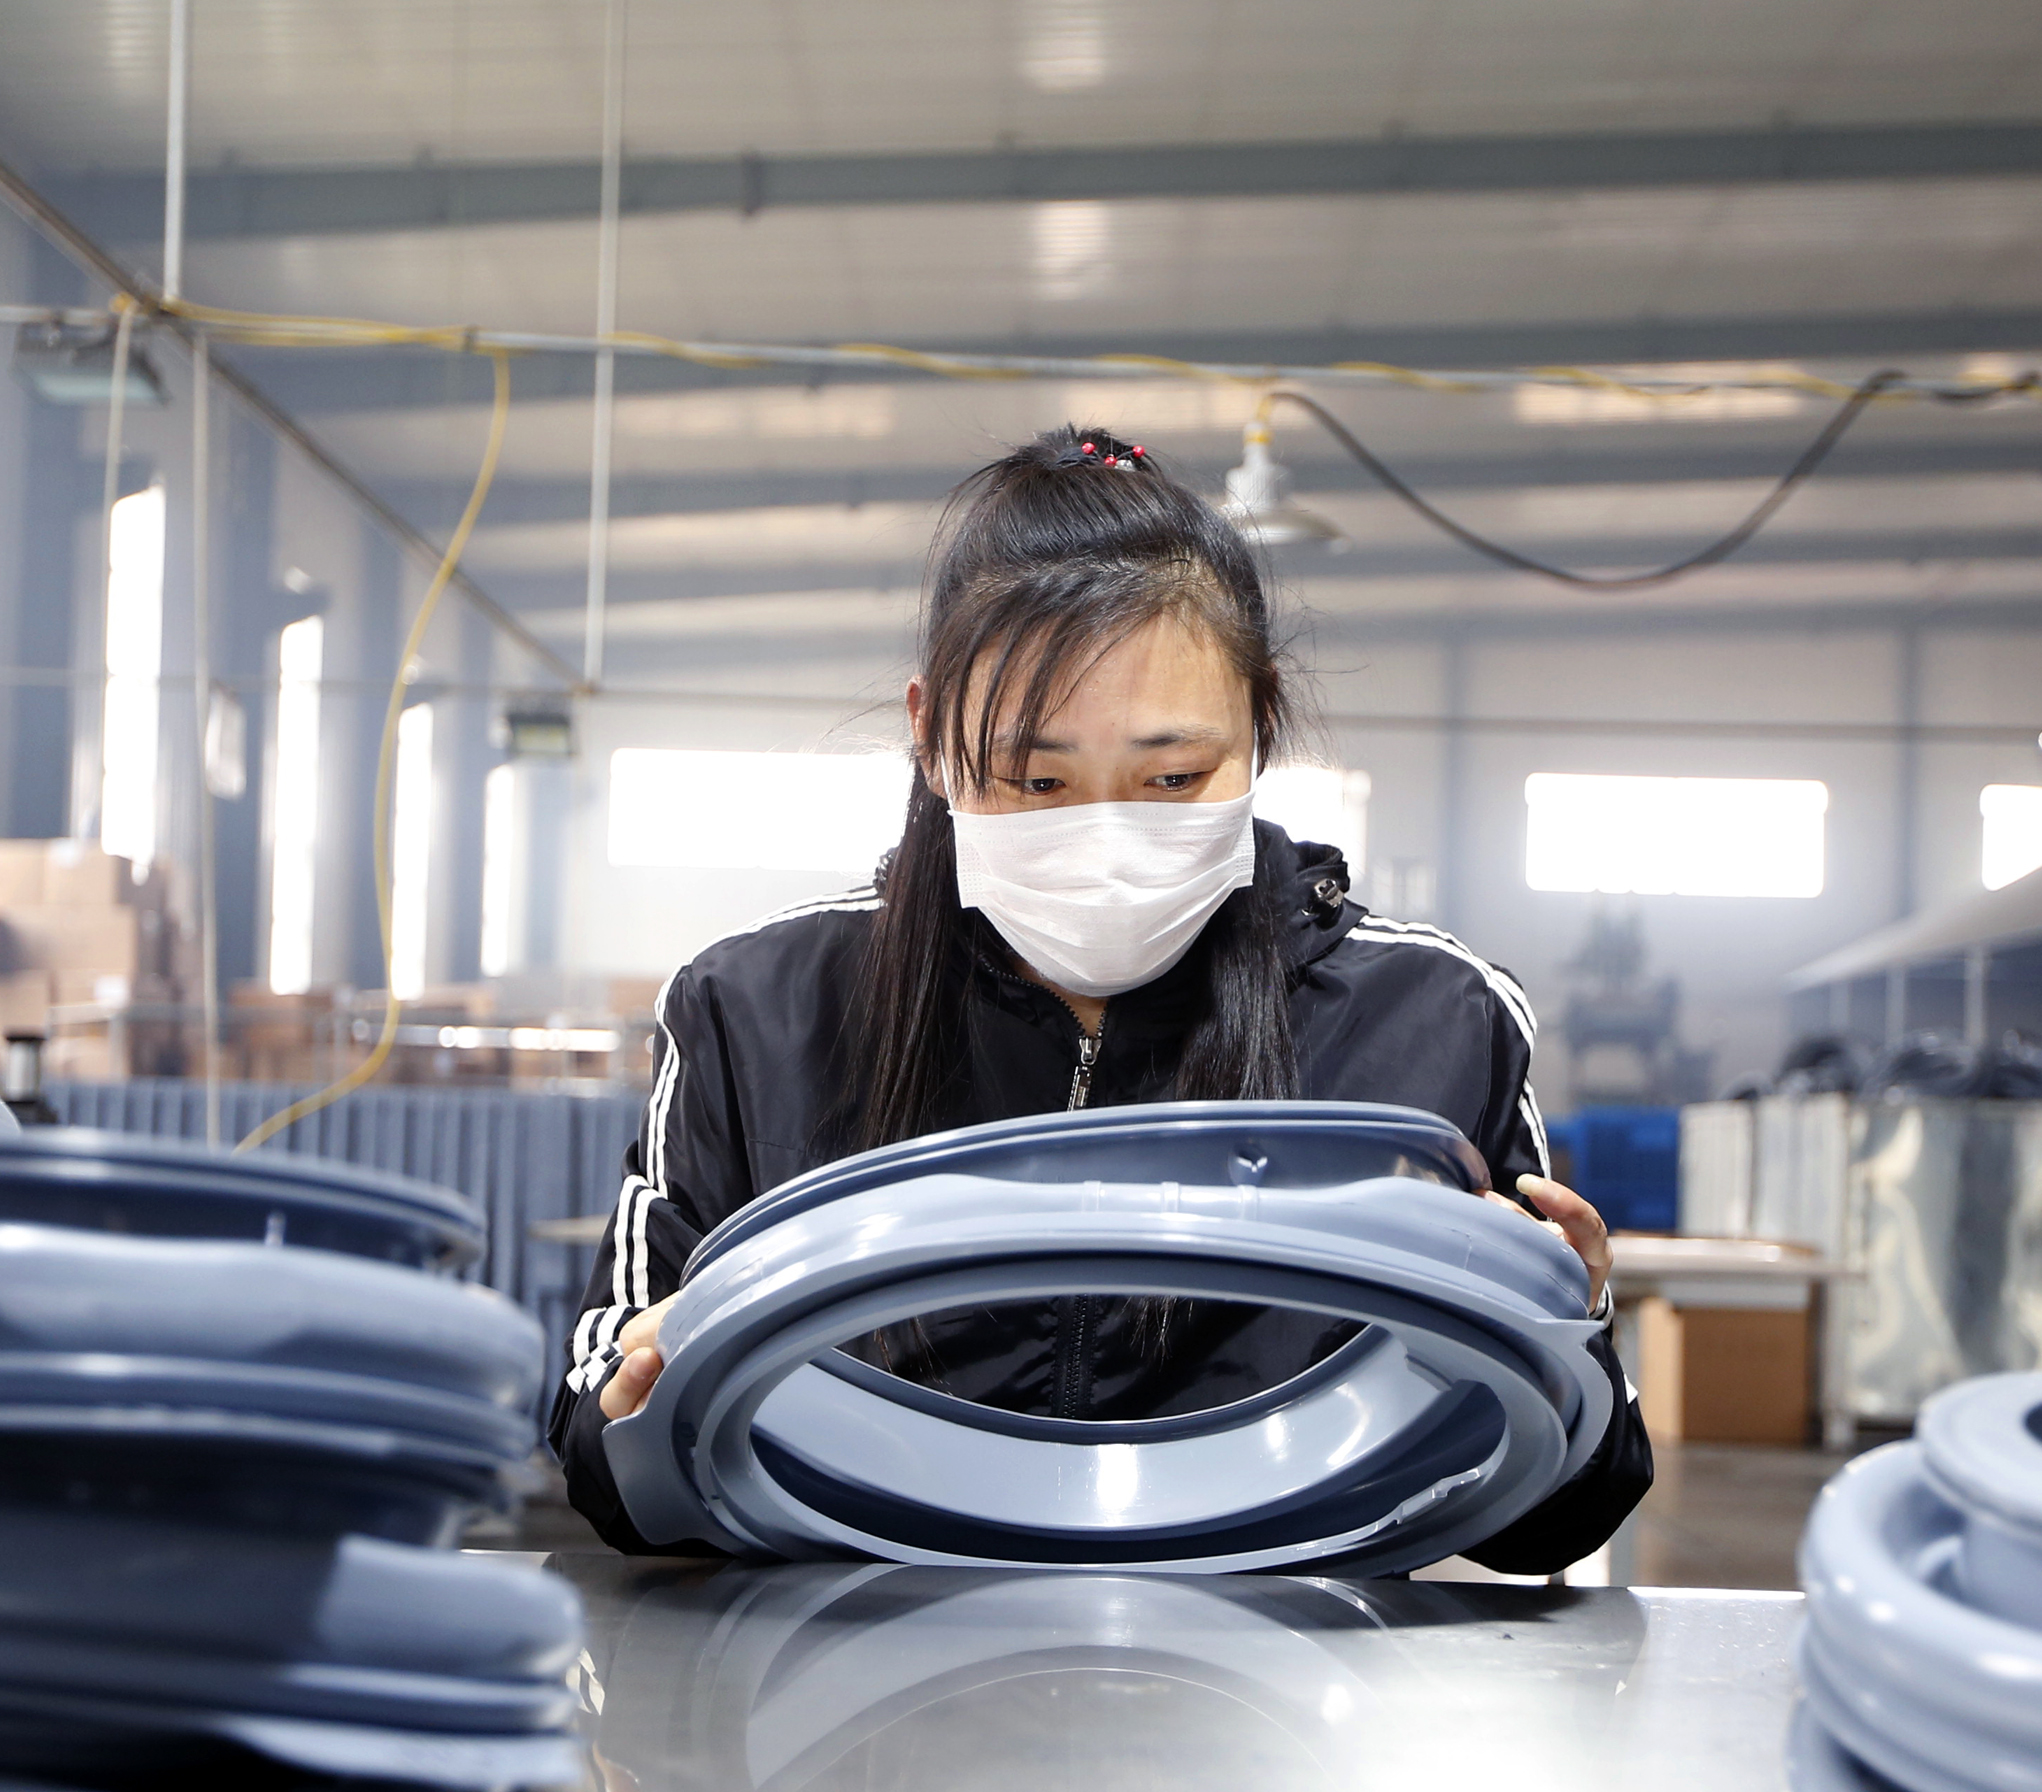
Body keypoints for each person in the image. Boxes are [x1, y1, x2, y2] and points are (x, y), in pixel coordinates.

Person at [548, 423, 1653, 1570]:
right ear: (928, 735)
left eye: (1172, 775)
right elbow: (604, 1459)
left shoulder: (1432, 1015)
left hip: (1289, 1671)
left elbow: (1550, 1523)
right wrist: (638, 1404)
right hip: (855, 1665)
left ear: (1259, 722)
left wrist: (1560, 1346)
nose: (1105, 832)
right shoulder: (756, 1010)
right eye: (1036, 778)